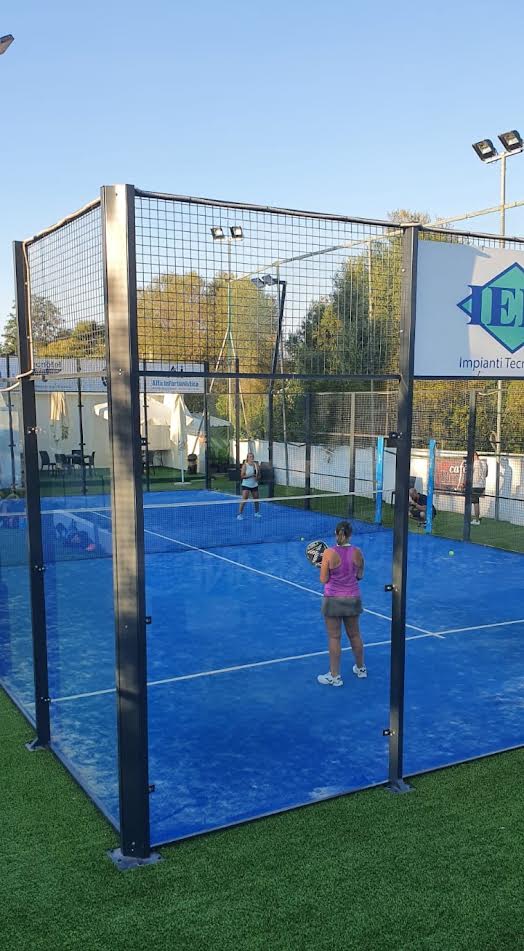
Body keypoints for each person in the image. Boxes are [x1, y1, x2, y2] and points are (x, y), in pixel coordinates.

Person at [317, 520, 367, 687]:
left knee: (334, 637)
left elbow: (324, 579)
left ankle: (335, 676)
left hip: (333, 600)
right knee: (355, 635)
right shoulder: (357, 552)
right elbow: (359, 576)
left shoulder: (329, 553)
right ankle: (361, 669)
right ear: (350, 535)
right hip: (352, 598)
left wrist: (323, 568)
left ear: (336, 534)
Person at [237, 452, 261, 519]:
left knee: (256, 499)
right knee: (244, 499)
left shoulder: (256, 465)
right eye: (250, 457)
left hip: (254, 485)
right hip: (246, 485)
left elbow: (259, 475)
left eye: (252, 456)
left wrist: (257, 478)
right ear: (247, 458)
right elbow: (242, 476)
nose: (251, 458)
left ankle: (256, 513)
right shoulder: (245, 465)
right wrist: (251, 475)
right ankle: (239, 514)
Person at [471, 452, 488, 525]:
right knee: (476, 502)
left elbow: (470, 474)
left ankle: (477, 520)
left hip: (475, 486)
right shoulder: (484, 463)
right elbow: (486, 475)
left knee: (475, 503)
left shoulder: (473, 464)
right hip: (482, 486)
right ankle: (477, 518)